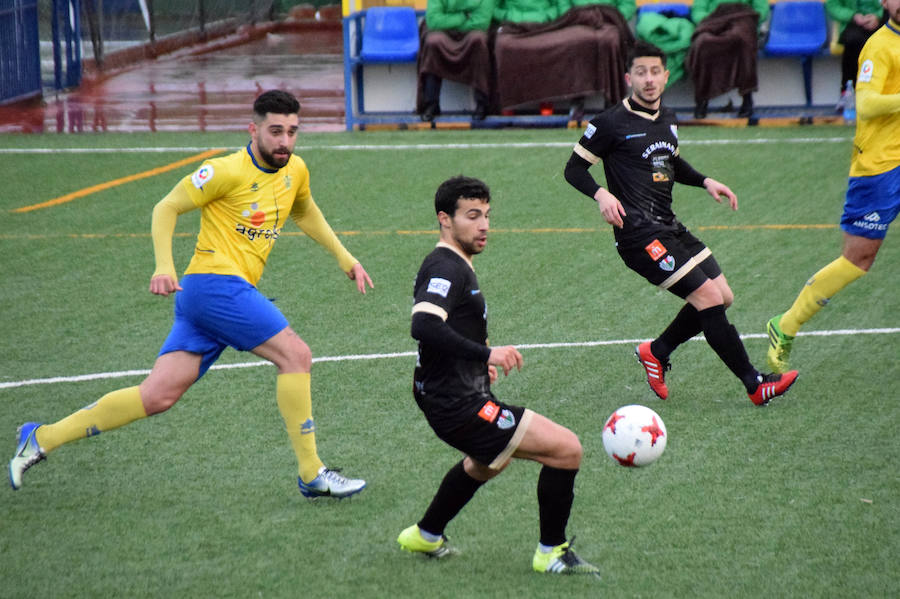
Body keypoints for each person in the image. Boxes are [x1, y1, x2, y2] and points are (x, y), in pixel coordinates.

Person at [9, 90, 374, 498]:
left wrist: (344, 257)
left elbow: (303, 209)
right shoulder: (223, 171)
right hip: (215, 286)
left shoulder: (296, 171)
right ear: (253, 130)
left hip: (213, 299)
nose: (284, 142)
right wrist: (164, 265)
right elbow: (165, 207)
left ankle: (40, 437)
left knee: (157, 395)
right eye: (275, 131)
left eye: (292, 132)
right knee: (296, 355)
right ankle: (312, 474)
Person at [563, 41, 799, 406]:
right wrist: (601, 195)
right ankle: (755, 384)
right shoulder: (609, 123)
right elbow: (573, 168)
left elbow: (669, 163)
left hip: (669, 225)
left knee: (723, 296)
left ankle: (656, 351)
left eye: (655, 71)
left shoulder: (668, 119)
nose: (649, 79)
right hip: (638, 236)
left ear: (666, 76)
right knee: (707, 298)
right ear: (629, 77)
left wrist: (705, 181)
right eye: (640, 72)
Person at [397, 175, 599, 575]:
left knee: (488, 462)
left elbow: (449, 326)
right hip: (458, 403)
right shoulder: (445, 266)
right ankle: (551, 552)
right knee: (566, 449)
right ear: (445, 219)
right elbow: (424, 325)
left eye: (487, 215)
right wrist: (486, 352)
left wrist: (477, 361)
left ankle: (425, 534)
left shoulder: (456, 264)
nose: (484, 225)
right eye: (472, 216)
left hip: (450, 394)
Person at [766, 0, 899, 373]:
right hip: (881, 165)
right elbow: (867, 103)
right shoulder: (879, 46)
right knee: (858, 259)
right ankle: (785, 324)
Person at [492, 0, 634, 119]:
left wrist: (606, 17)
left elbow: (627, 5)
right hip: (578, 22)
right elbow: (564, 6)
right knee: (576, 40)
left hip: (607, 22)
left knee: (610, 40)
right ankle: (577, 98)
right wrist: (578, 18)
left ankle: (611, 101)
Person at [686, 0, 769, 119]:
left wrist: (746, 17)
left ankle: (747, 98)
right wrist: (716, 19)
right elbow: (698, 10)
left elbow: (761, 8)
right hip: (712, 22)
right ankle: (702, 100)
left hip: (742, 20)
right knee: (702, 43)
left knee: (742, 40)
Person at [417, 0, 494, 122]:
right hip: (445, 32)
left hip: (471, 32)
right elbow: (433, 21)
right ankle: (431, 104)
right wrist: (462, 16)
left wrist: (449, 20)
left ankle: (482, 103)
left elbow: (482, 22)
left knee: (479, 40)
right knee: (433, 42)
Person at [826, 0, 887, 110]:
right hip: (852, 23)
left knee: (885, 43)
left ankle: (886, 92)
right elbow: (832, 6)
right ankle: (848, 92)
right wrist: (853, 16)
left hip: (884, 21)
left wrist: (878, 16)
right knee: (853, 41)